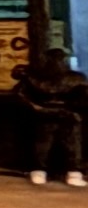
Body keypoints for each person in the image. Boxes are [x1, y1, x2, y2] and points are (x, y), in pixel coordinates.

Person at [19, 44, 88, 186]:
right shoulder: (75, 78)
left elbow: (22, 93)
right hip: (64, 113)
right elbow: (83, 95)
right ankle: (70, 172)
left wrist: (37, 107)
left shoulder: (36, 78)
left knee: (51, 143)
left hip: (53, 112)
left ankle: (43, 171)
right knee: (66, 144)